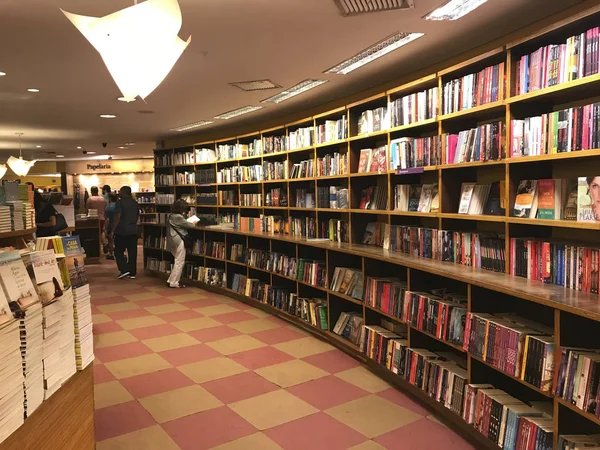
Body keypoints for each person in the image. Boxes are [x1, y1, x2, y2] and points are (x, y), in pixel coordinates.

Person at [110, 186, 139, 279]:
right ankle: (132, 272)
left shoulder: (120, 202)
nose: (119, 193)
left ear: (124, 193)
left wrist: (112, 230)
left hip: (122, 230)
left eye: (120, 191)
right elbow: (137, 215)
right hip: (133, 230)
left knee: (118, 251)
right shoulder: (135, 203)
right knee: (132, 252)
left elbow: (118, 216)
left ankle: (124, 269)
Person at [166, 199, 195, 288]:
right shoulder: (178, 217)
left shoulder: (170, 215)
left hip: (171, 240)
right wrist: (193, 221)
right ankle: (174, 282)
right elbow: (191, 226)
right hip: (178, 240)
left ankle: (171, 280)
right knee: (180, 261)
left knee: (177, 260)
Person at [103, 194, 118, 260]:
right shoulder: (119, 206)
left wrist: (105, 228)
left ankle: (111, 254)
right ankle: (120, 254)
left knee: (110, 240)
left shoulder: (107, 207)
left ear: (110, 199)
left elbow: (107, 219)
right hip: (119, 225)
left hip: (111, 226)